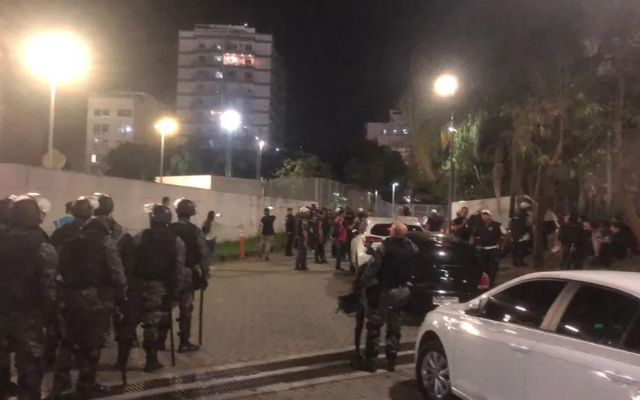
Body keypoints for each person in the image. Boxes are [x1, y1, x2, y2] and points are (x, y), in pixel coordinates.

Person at [52, 200, 127, 398]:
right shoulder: (105, 241)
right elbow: (116, 272)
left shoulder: (70, 240)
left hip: (70, 296)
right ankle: (86, 384)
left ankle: (61, 381)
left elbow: (57, 267)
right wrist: (122, 296)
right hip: (97, 299)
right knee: (92, 343)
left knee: (68, 341)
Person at [116, 204, 186, 373]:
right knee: (151, 325)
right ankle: (151, 361)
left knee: (129, 322)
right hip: (159, 288)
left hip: (137, 286)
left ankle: (122, 360)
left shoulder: (141, 236)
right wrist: (175, 292)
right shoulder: (176, 242)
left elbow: (128, 259)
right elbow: (178, 269)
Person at [0, 194, 57, 400]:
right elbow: (48, 289)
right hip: (29, 318)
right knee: (30, 369)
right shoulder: (43, 247)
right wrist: (53, 320)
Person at [356, 222, 416, 372]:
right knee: (395, 326)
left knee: (375, 324)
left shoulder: (384, 248)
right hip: (403, 291)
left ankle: (371, 361)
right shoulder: (412, 248)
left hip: (386, 291)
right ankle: (392, 359)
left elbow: (372, 268)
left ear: (392, 233)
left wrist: (362, 284)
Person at [169, 198, 209, 353]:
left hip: (170, 274)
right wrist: (205, 275)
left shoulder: (169, 228)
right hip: (187, 275)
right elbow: (204, 254)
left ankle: (158, 340)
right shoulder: (195, 231)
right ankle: (184, 342)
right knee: (185, 309)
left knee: (166, 306)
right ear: (191, 213)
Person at [471, 210, 506, 287]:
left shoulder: (497, 225)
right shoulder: (479, 225)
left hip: (493, 250)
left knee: (493, 268)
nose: (484, 216)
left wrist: (502, 246)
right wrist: (473, 246)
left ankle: (491, 283)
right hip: (482, 250)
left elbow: (506, 234)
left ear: (490, 216)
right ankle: (483, 283)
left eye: (486, 215)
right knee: (482, 267)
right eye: (482, 215)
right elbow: (473, 236)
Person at [295, 207, 310, 271]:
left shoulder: (298, 219)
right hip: (302, 237)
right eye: (307, 212)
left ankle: (298, 265)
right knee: (302, 252)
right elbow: (305, 230)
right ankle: (302, 266)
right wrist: (306, 239)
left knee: (300, 251)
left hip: (299, 236)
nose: (308, 213)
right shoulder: (304, 220)